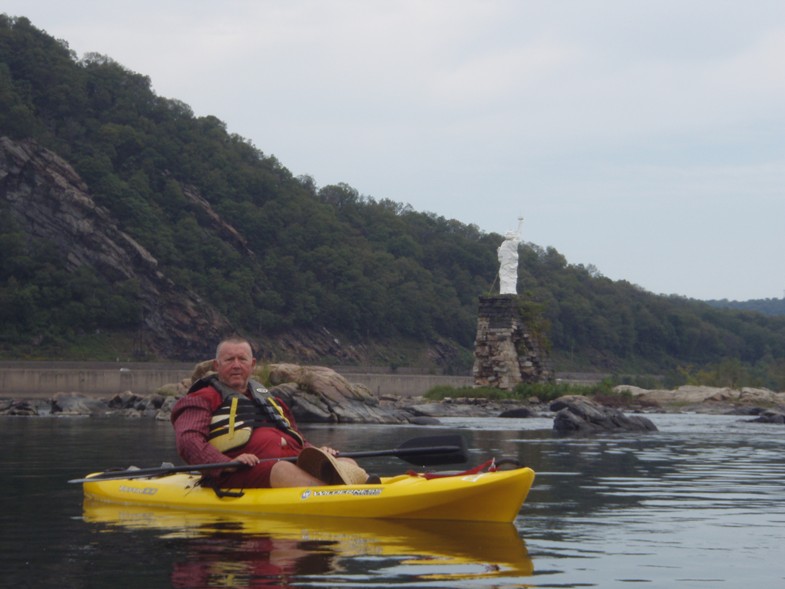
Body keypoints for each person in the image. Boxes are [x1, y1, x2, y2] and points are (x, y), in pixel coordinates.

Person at [171, 336, 370, 488]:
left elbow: (295, 436)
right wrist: (225, 463)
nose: (236, 365)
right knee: (281, 468)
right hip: (240, 472)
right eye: (229, 360)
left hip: (292, 462)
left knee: (345, 461)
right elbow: (188, 441)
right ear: (217, 365)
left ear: (253, 364)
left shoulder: (272, 401)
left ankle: (365, 488)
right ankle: (340, 495)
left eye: (242, 359)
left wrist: (319, 451)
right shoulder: (202, 398)